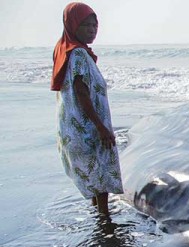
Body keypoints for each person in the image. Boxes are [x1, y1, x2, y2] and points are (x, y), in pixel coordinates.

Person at [51, 2, 123, 217]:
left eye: (95, 25)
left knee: (93, 177)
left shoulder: (64, 49)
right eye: (86, 25)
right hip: (87, 128)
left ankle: (98, 215)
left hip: (73, 128)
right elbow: (81, 92)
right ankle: (105, 222)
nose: (92, 30)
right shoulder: (79, 54)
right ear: (73, 25)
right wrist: (101, 127)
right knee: (101, 176)